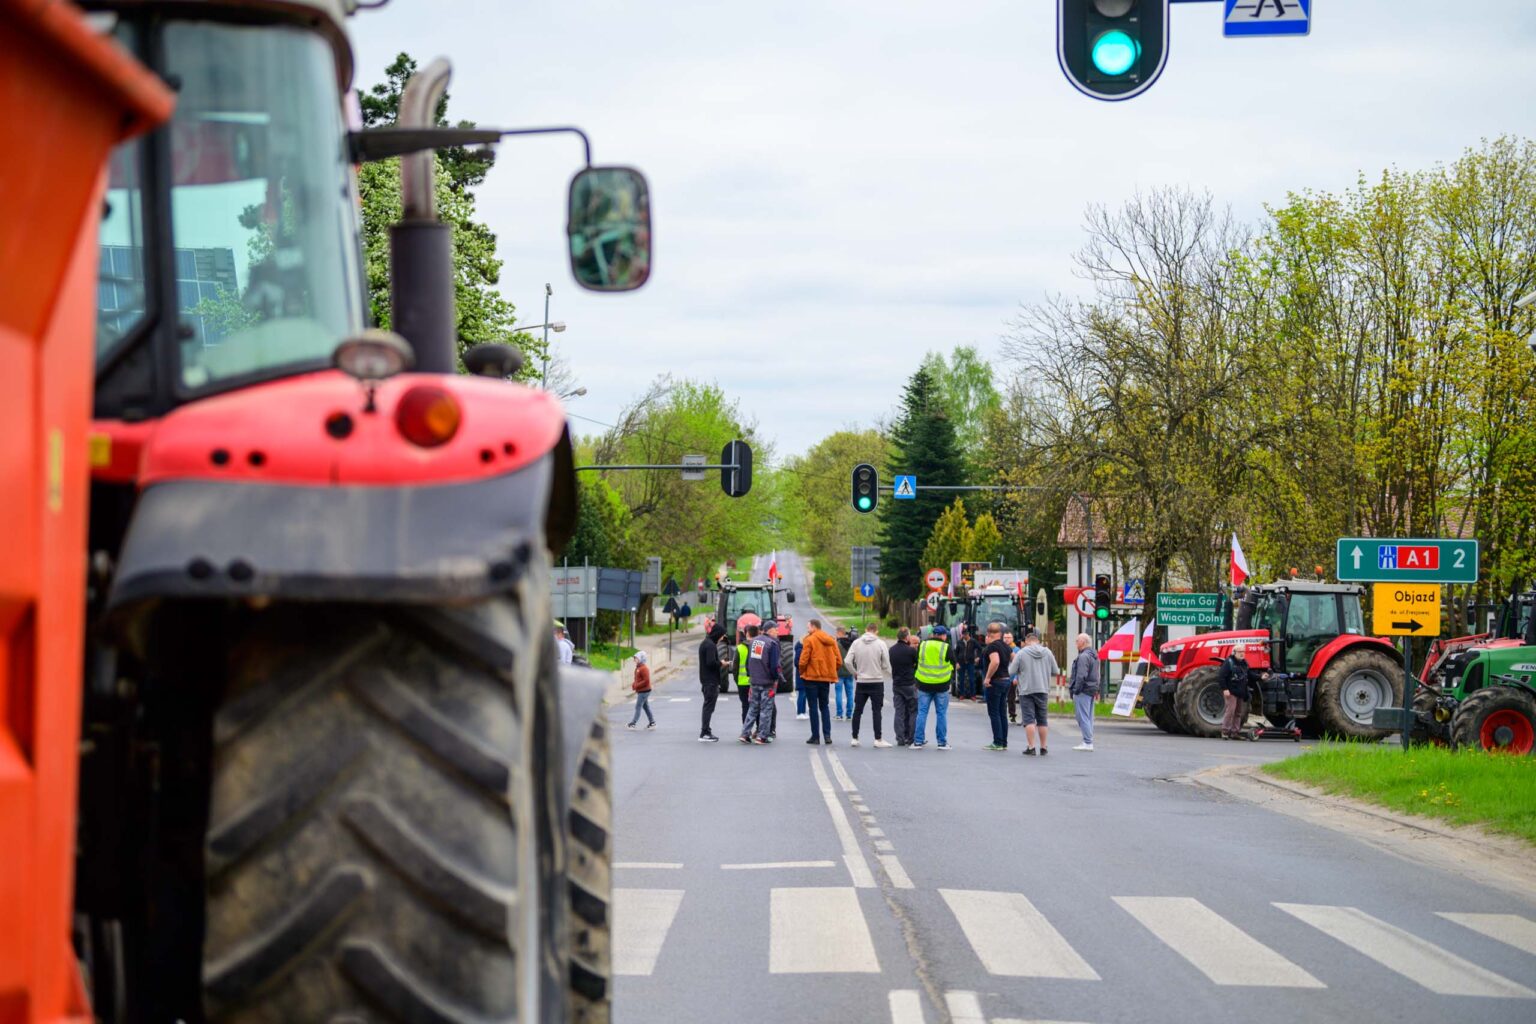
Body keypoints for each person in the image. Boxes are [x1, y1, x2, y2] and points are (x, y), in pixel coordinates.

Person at [844, 621, 893, 748]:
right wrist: (884, 671)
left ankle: (854, 737)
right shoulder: (881, 644)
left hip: (861, 681)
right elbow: (886, 664)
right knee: (876, 711)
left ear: (866, 630)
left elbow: (847, 661)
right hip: (876, 681)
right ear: (876, 631)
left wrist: (855, 673)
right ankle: (878, 739)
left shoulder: (856, 643)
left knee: (858, 710)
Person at [1011, 631, 1059, 756]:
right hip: (1043, 689)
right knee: (1042, 720)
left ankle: (1031, 747)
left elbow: (1011, 670)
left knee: (1029, 719)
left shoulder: (1021, 653)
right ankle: (1043, 747)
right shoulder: (1048, 652)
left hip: (1026, 690)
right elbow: (1056, 671)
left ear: (1027, 641)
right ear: (1038, 641)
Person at [797, 619, 839, 745]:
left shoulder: (809, 640)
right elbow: (839, 660)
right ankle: (827, 736)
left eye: (808, 627)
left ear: (814, 627)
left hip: (811, 678)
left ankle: (815, 736)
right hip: (825, 679)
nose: (807, 629)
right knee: (824, 706)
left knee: (813, 707)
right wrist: (830, 670)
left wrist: (802, 672)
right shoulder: (831, 640)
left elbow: (803, 660)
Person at [912, 625, 954, 749]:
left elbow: (917, 661)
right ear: (942, 636)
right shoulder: (946, 647)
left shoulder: (923, 645)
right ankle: (941, 742)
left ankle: (918, 741)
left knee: (922, 713)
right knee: (941, 713)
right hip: (942, 686)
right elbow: (954, 663)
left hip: (923, 684)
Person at [739, 623, 779, 744]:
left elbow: (748, 662)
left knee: (753, 708)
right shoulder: (772, 643)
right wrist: (775, 678)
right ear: (770, 631)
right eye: (776, 630)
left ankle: (745, 734)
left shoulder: (754, 642)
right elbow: (774, 665)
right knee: (766, 709)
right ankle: (762, 736)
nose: (777, 632)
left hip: (754, 681)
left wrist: (751, 675)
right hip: (767, 682)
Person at [979, 622, 1012, 750]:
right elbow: (1015, 659)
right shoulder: (1006, 646)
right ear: (1000, 633)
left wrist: (987, 678)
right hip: (1006, 680)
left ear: (988, 634)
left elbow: (995, 661)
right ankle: (1003, 742)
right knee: (1002, 712)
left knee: (994, 712)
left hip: (996, 682)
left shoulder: (992, 647)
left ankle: (997, 742)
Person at [889, 628, 919, 746]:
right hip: (909, 684)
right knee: (913, 711)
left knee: (899, 712)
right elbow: (916, 663)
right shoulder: (911, 651)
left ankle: (900, 738)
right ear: (906, 637)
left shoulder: (891, 650)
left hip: (897, 684)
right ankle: (911, 737)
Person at [1070, 632, 1100, 751]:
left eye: (1077, 641)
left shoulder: (1083, 657)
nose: (1076, 643)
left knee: (1082, 716)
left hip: (1083, 689)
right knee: (1088, 716)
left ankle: (1087, 742)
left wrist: (1076, 690)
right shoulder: (1094, 655)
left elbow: (1081, 675)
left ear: (1083, 642)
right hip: (1091, 689)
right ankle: (1088, 740)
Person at [1220, 642, 1252, 740]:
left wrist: (1261, 677)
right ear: (1234, 652)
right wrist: (1225, 689)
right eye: (1240, 652)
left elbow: (1250, 675)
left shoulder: (1244, 663)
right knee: (1230, 711)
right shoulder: (1228, 662)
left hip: (1240, 692)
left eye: (1243, 652)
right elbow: (1221, 677)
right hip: (1231, 691)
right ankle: (1225, 731)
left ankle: (1235, 733)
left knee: (1238, 713)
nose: (1242, 653)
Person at [697, 625, 724, 742]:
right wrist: (722, 663)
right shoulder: (710, 645)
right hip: (710, 681)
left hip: (706, 680)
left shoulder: (705, 643)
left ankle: (705, 731)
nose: (722, 638)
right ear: (717, 634)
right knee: (708, 707)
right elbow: (711, 663)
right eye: (722, 635)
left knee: (708, 707)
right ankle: (705, 732)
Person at [627, 651, 654, 730]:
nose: (634, 659)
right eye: (634, 658)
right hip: (641, 690)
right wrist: (634, 684)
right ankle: (652, 722)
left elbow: (646, 681)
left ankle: (633, 723)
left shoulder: (644, 668)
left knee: (638, 706)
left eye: (636, 658)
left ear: (641, 659)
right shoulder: (638, 668)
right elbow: (637, 679)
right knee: (645, 707)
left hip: (644, 691)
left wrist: (636, 685)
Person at [834, 626, 854, 720]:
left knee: (838, 693)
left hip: (839, 672)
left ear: (839, 633)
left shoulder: (837, 644)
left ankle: (839, 714)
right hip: (849, 672)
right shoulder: (851, 644)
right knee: (850, 693)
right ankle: (849, 714)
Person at [734, 630, 752, 721]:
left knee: (745, 707)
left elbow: (735, 668)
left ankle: (746, 731)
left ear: (746, 634)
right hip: (755, 683)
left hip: (742, 683)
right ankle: (758, 730)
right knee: (757, 707)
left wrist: (737, 681)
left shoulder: (740, 648)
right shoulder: (759, 647)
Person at [1004, 630, 1020, 724]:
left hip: (1011, 677)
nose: (1006, 639)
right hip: (1002, 676)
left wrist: (1016, 678)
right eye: (1005, 638)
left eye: (1008, 638)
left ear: (1012, 639)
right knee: (1002, 698)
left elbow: (1019, 665)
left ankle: (1012, 715)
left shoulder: (1016, 650)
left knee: (1011, 698)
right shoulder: (1001, 647)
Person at [794, 633, 809, 720]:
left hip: (803, 674)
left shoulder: (802, 648)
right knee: (802, 694)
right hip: (801, 674)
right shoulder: (800, 649)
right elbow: (797, 662)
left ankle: (803, 712)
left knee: (804, 694)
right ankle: (800, 712)